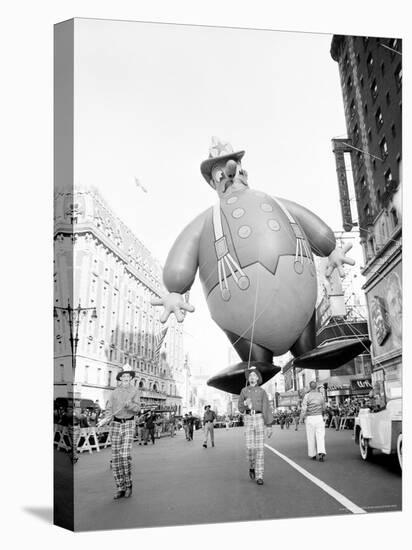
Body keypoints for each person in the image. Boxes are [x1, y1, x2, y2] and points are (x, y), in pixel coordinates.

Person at [103, 367, 141, 500]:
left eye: (128, 377)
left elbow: (137, 409)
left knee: (124, 455)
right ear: (120, 378)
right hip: (115, 424)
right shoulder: (114, 392)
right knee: (116, 458)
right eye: (123, 377)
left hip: (128, 423)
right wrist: (107, 417)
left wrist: (130, 405)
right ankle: (120, 487)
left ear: (131, 378)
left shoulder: (134, 391)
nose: (125, 379)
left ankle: (129, 484)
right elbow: (108, 408)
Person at [238, 365, 273, 486]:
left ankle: (259, 475)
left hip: (259, 419)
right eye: (250, 375)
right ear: (248, 378)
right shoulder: (244, 391)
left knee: (260, 449)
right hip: (248, 419)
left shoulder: (262, 392)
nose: (252, 377)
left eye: (254, 375)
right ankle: (252, 466)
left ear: (258, 378)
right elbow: (240, 408)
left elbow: (266, 408)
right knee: (250, 447)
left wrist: (269, 425)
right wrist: (244, 402)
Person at [299, 381, 327, 461]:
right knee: (320, 436)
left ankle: (312, 454)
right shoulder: (321, 395)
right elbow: (324, 407)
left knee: (310, 437)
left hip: (310, 418)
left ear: (310, 387)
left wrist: (301, 418)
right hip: (319, 417)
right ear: (316, 387)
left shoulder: (307, 396)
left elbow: (304, 408)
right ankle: (321, 452)